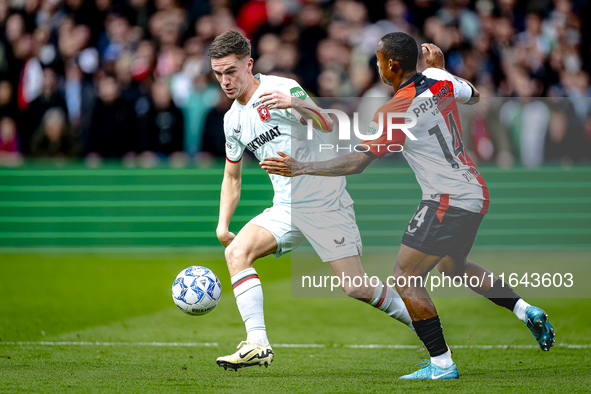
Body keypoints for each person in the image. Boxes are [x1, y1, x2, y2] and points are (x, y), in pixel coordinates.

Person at [260, 32, 555, 380]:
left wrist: (302, 167)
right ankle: (524, 310)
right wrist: (443, 70)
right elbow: (474, 96)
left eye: (379, 60)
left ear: (392, 65)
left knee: (405, 277)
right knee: (452, 267)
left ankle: (442, 364)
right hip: (474, 190)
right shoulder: (439, 80)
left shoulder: (396, 109)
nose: (377, 66)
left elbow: (357, 163)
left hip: (446, 199)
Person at [208, 30, 413, 371]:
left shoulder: (281, 89)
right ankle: (257, 343)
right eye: (218, 74)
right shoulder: (232, 120)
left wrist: (298, 104)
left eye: (231, 71)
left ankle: (424, 323)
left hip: (324, 201)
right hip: (285, 207)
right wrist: (222, 224)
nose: (225, 81)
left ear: (249, 64)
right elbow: (232, 176)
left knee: (356, 287)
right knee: (236, 252)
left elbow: (330, 124)